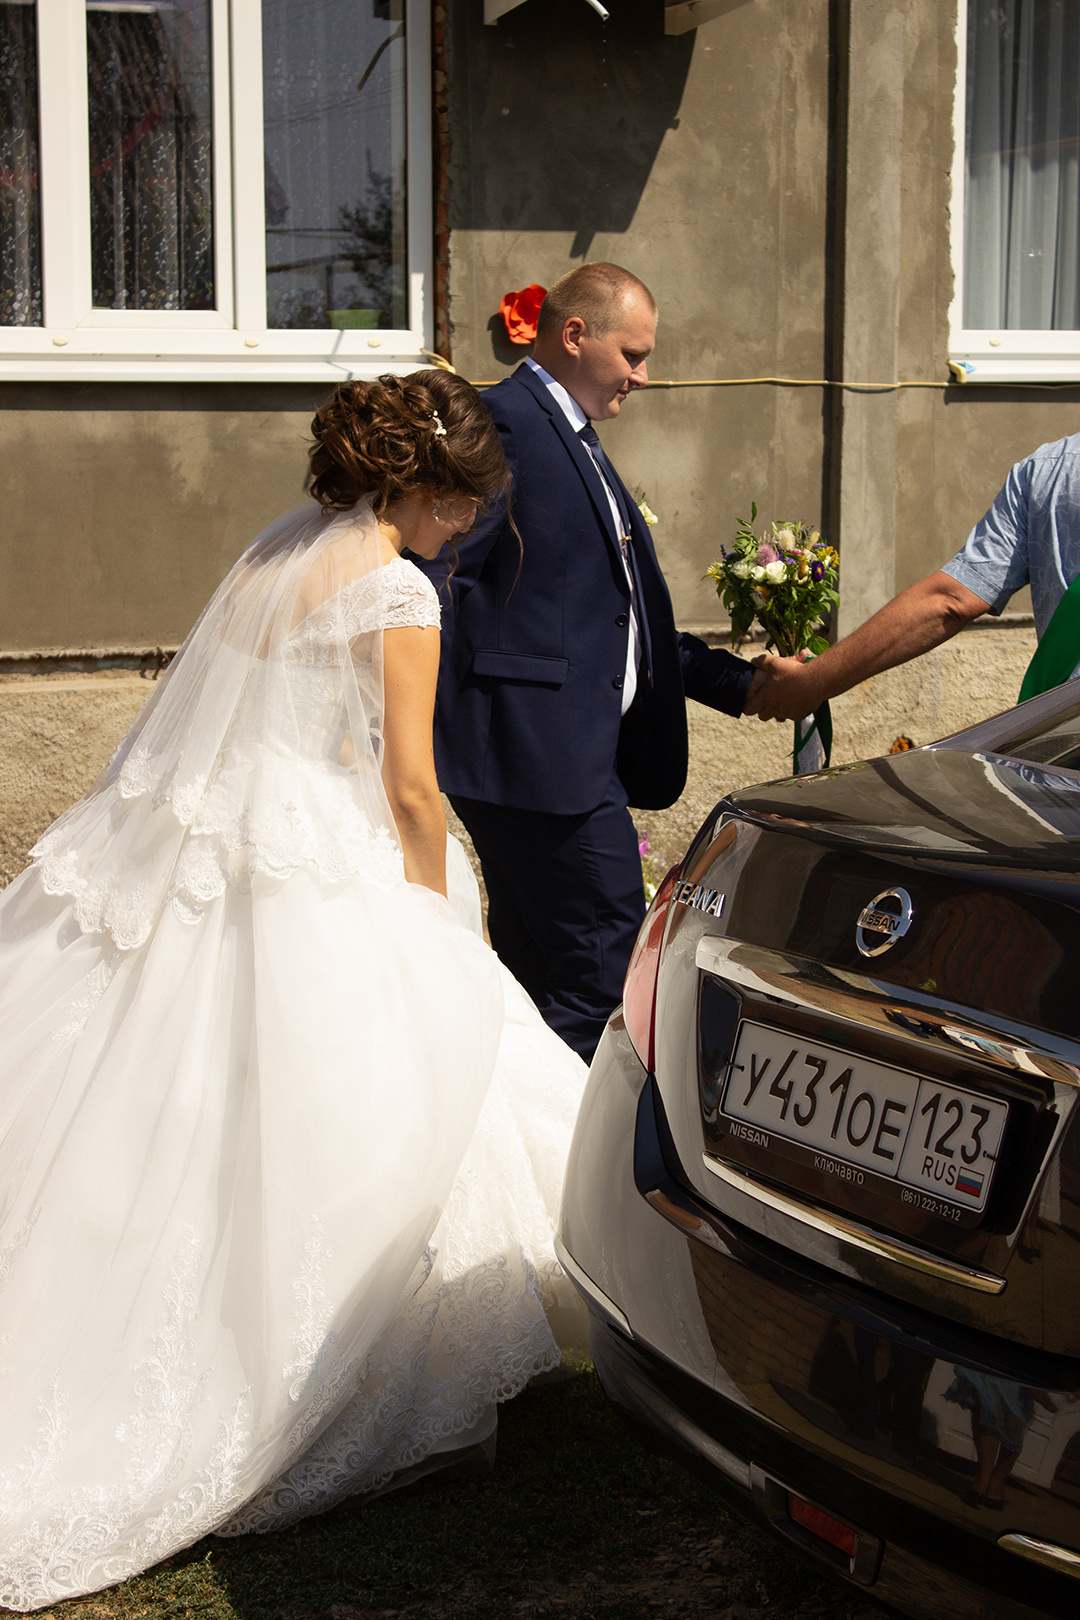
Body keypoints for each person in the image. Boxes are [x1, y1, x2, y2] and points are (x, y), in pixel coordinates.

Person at [0, 372, 588, 1611]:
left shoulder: (277, 550)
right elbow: (415, 789)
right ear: (426, 489)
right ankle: (363, 1359)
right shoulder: (397, 586)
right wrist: (434, 922)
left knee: (167, 1098)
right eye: (467, 506)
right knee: (385, 1086)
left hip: (205, 834)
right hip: (312, 857)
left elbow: (272, 713)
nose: (469, 529)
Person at [416, 263, 759, 1062]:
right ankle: (576, 1154)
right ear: (575, 335)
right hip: (538, 766)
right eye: (632, 355)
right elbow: (440, 576)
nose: (643, 376)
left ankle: (516, 1156)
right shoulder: (508, 424)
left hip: (561, 761)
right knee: (609, 970)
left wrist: (736, 682)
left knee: (537, 975)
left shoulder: (572, 435)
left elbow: (615, 616)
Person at [745, 431, 1080, 723]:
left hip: (1060, 744)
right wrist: (810, 682)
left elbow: (950, 601)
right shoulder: (1045, 470)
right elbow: (950, 601)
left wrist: (813, 682)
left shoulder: (1049, 470)